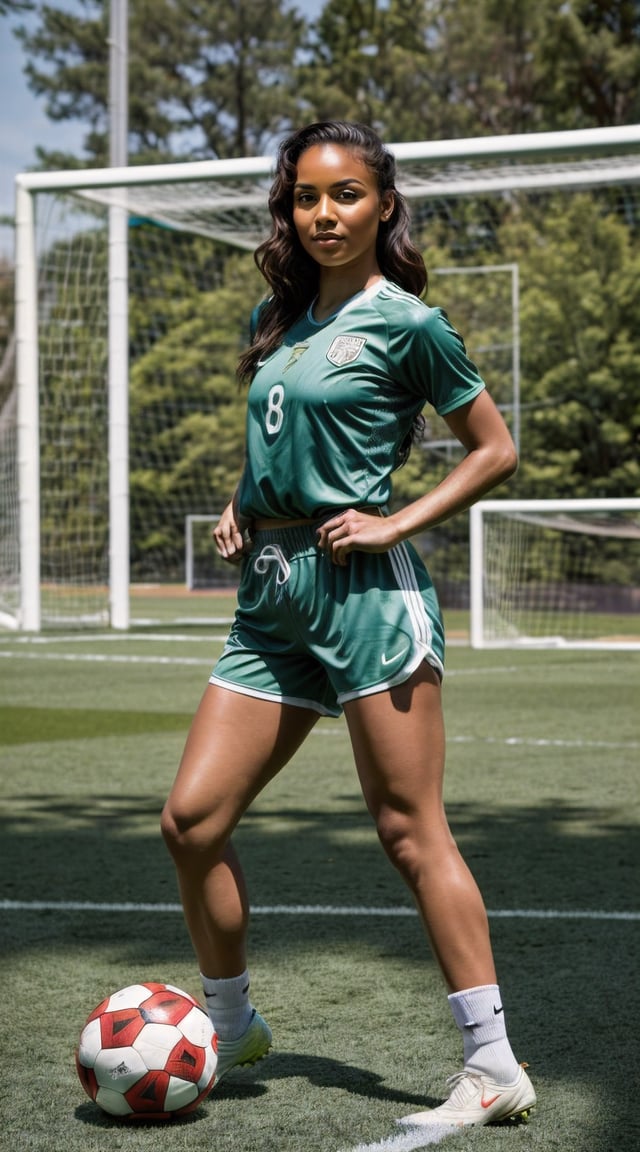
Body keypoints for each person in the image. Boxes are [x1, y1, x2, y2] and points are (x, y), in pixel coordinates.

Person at [161, 120, 536, 1129]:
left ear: (382, 205)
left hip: (368, 598)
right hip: (273, 600)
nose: (324, 215)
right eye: (305, 198)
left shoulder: (409, 322)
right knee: (190, 822)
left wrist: (395, 519)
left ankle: (493, 1062)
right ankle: (231, 1023)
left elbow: (492, 448)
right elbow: (277, 439)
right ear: (286, 211)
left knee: (408, 832)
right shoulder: (274, 320)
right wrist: (245, 500)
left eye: (346, 196)